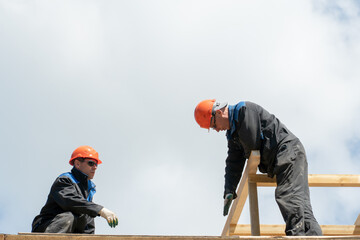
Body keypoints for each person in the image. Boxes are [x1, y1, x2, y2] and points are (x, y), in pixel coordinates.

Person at [194, 99, 322, 236]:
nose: (217, 130)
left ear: (218, 113)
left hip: (288, 152)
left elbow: (251, 145)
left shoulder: (244, 111)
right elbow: (233, 163)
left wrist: (237, 147)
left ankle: (296, 236)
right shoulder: (233, 133)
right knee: (301, 203)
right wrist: (229, 190)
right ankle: (314, 236)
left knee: (288, 196)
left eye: (214, 126)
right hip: (289, 154)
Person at [32, 145, 118, 233]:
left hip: (67, 229)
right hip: (47, 226)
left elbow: (87, 220)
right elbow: (72, 202)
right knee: (69, 217)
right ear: (77, 164)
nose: (95, 167)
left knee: (85, 216)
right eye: (91, 163)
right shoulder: (65, 180)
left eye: (96, 164)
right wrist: (100, 210)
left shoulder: (88, 189)